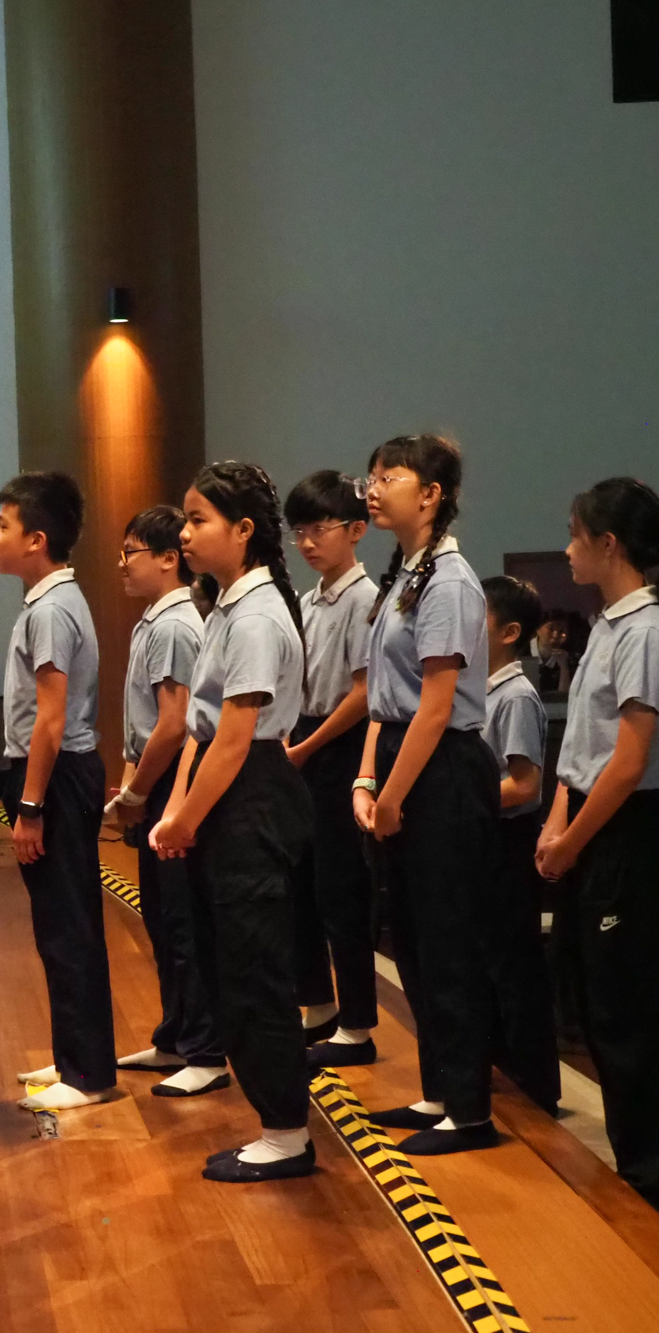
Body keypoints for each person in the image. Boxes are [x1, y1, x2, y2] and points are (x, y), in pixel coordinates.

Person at [152, 462, 315, 1182]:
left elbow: (236, 736)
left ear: (243, 530)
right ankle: (275, 1122)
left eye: (199, 520)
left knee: (255, 970)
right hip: (235, 789)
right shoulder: (227, 605)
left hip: (251, 793)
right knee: (231, 964)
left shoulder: (253, 614)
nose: (185, 534)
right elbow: (207, 727)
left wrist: (184, 818)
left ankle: (287, 1133)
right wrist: (179, 810)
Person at [353, 434, 502, 1156]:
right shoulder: (411, 572)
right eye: (372, 476)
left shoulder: (449, 580)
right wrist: (368, 779)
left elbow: (436, 707)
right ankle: (439, 1091)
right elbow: (387, 700)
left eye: (390, 476)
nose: (374, 487)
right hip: (406, 760)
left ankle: (471, 1111)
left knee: (447, 942)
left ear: (432, 494)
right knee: (411, 938)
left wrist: (390, 797)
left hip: (440, 769)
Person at [536, 477, 659, 1205]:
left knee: (626, 1008)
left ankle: (646, 1174)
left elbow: (629, 761)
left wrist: (574, 839)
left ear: (608, 544)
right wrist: (557, 820)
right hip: (588, 818)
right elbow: (581, 750)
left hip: (626, 828)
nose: (568, 548)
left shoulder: (645, 629)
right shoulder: (608, 624)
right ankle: (631, 1161)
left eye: (575, 534)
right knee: (591, 995)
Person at [0, 471, 114, 1112]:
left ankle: (88, 1073)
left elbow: (51, 717)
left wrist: (30, 806)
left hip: (57, 776)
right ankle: (74, 1057)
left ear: (36, 539)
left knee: (69, 927)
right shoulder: (50, 601)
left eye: (4, 526)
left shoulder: (50, 609)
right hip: (56, 773)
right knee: (59, 925)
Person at [106, 505, 225, 1096]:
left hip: (176, 784)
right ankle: (176, 1036)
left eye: (130, 552)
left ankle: (206, 1050)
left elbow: (174, 725)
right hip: (157, 784)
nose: (121, 564)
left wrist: (137, 791)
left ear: (167, 559)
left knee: (183, 922)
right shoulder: (154, 621)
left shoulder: (175, 625)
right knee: (160, 916)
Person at [279, 471, 383, 1069]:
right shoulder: (308, 600)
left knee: (342, 891)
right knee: (302, 886)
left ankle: (359, 1025)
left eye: (319, 529)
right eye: (300, 532)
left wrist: (306, 746)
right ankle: (317, 1004)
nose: (308, 543)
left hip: (339, 747)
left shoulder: (364, 600)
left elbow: (364, 694)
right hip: (305, 740)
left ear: (356, 530)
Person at [479, 574, 560, 1113]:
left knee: (514, 967)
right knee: (488, 964)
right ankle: (501, 1079)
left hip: (508, 843)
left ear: (509, 633)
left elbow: (526, 785)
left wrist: (461, 798)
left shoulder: (515, 696)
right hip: (484, 838)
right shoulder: (478, 690)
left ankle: (535, 1091)